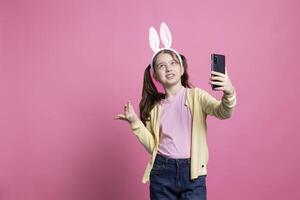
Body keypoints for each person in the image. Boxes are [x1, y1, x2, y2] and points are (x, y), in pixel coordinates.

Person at [114, 22, 237, 200]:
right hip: (162, 172)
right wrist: (135, 123)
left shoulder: (196, 96)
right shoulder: (155, 108)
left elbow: (223, 112)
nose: (168, 68)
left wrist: (229, 92)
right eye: (161, 66)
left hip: (193, 173)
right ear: (155, 75)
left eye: (173, 63)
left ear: (181, 68)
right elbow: (153, 146)